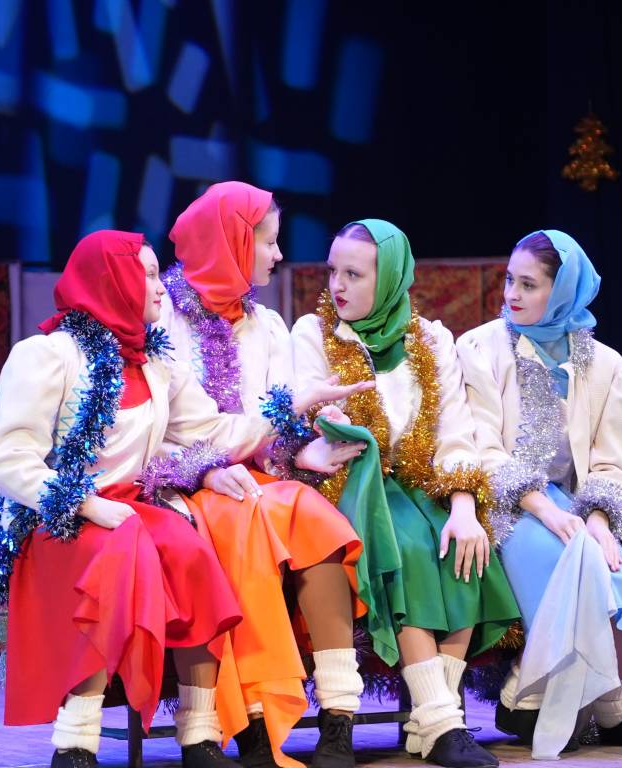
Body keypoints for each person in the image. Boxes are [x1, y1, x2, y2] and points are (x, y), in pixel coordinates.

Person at [0, 230, 326, 768]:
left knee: (193, 554)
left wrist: (293, 408)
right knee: (120, 552)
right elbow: (8, 455)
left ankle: (199, 733)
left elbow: (211, 431)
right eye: (145, 274)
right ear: (111, 281)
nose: (161, 287)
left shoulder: (155, 362)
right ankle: (75, 742)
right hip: (52, 516)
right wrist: (85, 504)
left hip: (132, 507)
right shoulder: (47, 355)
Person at [153, 181, 369, 768]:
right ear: (231, 244)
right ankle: (251, 723)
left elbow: (275, 426)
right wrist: (210, 468)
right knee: (242, 523)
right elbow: (180, 427)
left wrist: (303, 452)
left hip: (254, 476)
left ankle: (339, 716)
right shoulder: (162, 317)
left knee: (315, 519)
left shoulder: (266, 324)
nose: (278, 254)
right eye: (269, 242)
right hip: (182, 482)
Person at [290, 219, 520, 768]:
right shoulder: (313, 334)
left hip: (419, 484)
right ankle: (442, 723)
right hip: (346, 483)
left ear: (390, 277)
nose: (337, 285)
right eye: (332, 271)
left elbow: (454, 434)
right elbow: (307, 418)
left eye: (353, 274)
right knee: (412, 547)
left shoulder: (430, 340)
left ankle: (431, 719)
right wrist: (327, 424)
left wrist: (463, 506)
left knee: (466, 547)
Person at [455, 229, 622, 758]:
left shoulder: (607, 366)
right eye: (510, 280)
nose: (512, 294)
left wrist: (598, 519)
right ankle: (525, 698)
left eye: (529, 285)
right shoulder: (481, 348)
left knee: (619, 578)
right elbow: (483, 445)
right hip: (502, 502)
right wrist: (543, 510)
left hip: (572, 505)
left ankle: (616, 710)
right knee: (562, 567)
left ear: (562, 292)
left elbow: (611, 461)